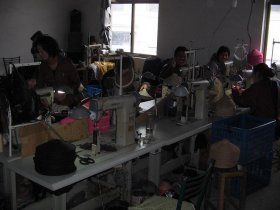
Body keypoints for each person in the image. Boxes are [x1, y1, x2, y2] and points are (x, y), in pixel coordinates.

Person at [34, 35, 84, 108]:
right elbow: (40, 85)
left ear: (49, 48)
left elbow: (77, 84)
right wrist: (43, 97)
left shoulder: (66, 63)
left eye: (42, 51)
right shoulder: (42, 66)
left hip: (70, 104)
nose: (40, 54)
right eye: (39, 51)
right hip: (51, 105)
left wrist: (66, 93)